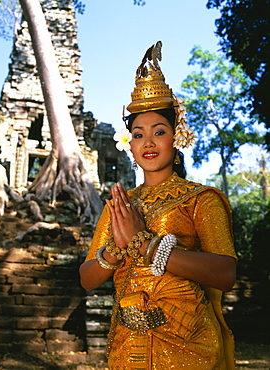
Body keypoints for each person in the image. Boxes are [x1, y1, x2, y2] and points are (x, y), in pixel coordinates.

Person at [79, 41, 237, 370]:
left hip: (189, 345)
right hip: (127, 343)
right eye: (138, 134)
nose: (148, 142)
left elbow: (225, 274)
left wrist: (148, 245)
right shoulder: (120, 205)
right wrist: (115, 250)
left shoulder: (201, 200)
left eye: (159, 131)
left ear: (175, 137)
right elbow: (87, 279)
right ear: (130, 145)